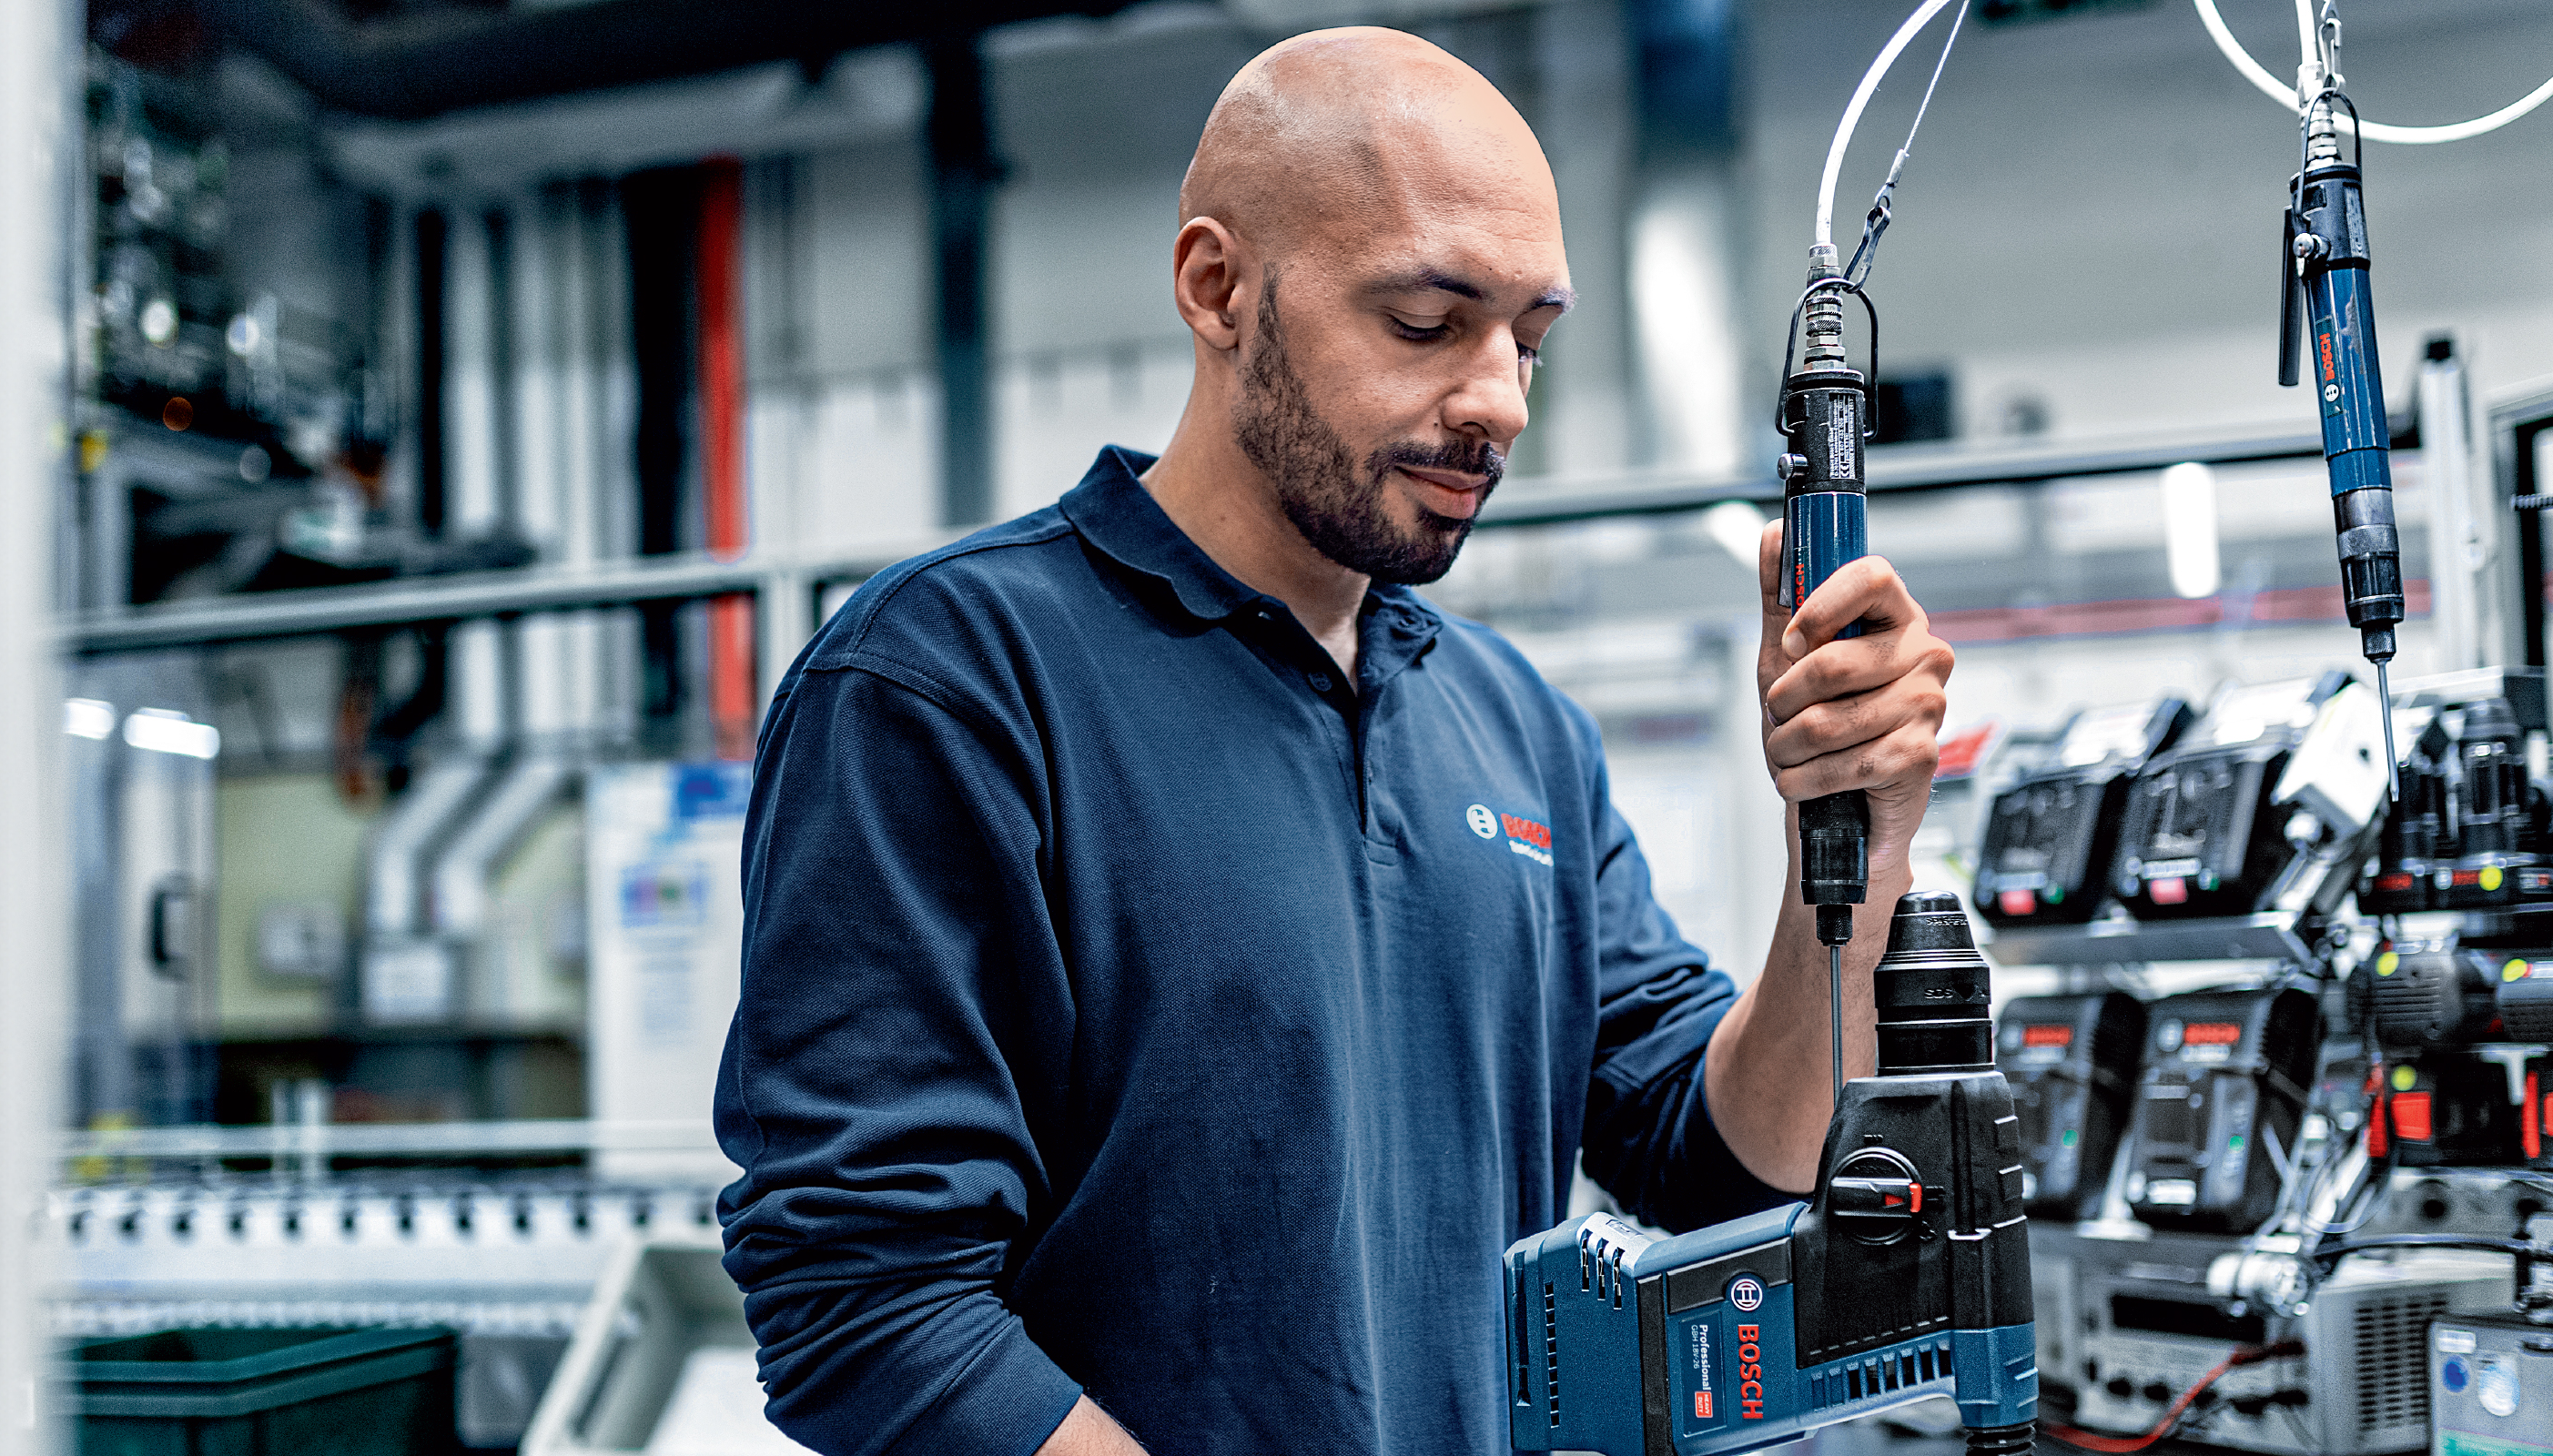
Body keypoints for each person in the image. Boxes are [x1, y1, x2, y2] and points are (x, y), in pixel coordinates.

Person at [711, 26, 1955, 1456]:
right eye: (1427, 324)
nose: (1498, 398)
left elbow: (1727, 1164)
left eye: (1530, 339)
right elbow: (865, 1304)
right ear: (1218, 287)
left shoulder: (1518, 730)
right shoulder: (949, 684)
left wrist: (1845, 847)